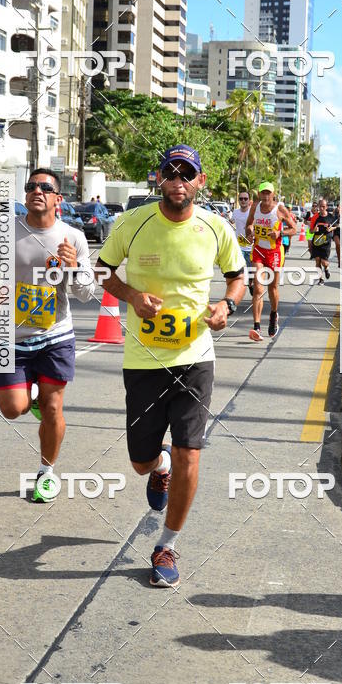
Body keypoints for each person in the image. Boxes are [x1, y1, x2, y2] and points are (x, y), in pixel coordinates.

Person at [97, 144, 245, 587]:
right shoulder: (132, 223)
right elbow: (103, 271)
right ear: (158, 178)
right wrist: (132, 297)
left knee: (189, 452)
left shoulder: (216, 228)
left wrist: (227, 307)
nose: (178, 181)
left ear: (200, 182)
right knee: (142, 461)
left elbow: (238, 278)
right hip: (143, 359)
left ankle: (167, 544)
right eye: (171, 172)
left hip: (195, 358)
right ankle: (157, 468)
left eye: (188, 174)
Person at [0, 168, 95, 502]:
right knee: (12, 408)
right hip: (13, 337)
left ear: (57, 198)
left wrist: (74, 268)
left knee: (53, 408)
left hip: (55, 336)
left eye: (45, 187)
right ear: (25, 195)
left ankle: (46, 472)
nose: (37, 191)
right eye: (31, 186)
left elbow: (85, 293)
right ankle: (29, 399)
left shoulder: (73, 238)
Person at [245, 182, 296, 341]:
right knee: (258, 288)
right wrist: (250, 231)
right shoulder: (255, 207)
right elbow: (249, 224)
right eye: (263, 193)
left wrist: (280, 232)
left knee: (272, 288)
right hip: (259, 250)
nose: (266, 196)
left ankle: (274, 315)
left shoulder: (280, 209)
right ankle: (257, 327)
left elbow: (294, 229)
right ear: (259, 194)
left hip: (275, 252)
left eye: (268, 193)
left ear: (273, 194)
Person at [309, 198, 336, 284]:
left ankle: (326, 268)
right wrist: (314, 230)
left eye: (323, 207)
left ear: (326, 207)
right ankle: (321, 279)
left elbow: (336, 226)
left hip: (326, 242)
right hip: (316, 241)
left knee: (324, 262)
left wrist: (331, 228)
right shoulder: (315, 217)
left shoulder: (331, 217)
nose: (321, 208)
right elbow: (310, 231)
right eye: (320, 206)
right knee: (317, 260)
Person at [232, 189, 254, 294]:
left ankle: (251, 284)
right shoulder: (235, 212)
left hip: (251, 247)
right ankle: (238, 290)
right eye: (241, 199)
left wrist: (252, 234)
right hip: (239, 246)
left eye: (245, 199)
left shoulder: (252, 213)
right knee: (239, 271)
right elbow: (232, 223)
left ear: (249, 201)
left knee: (251, 272)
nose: (243, 201)